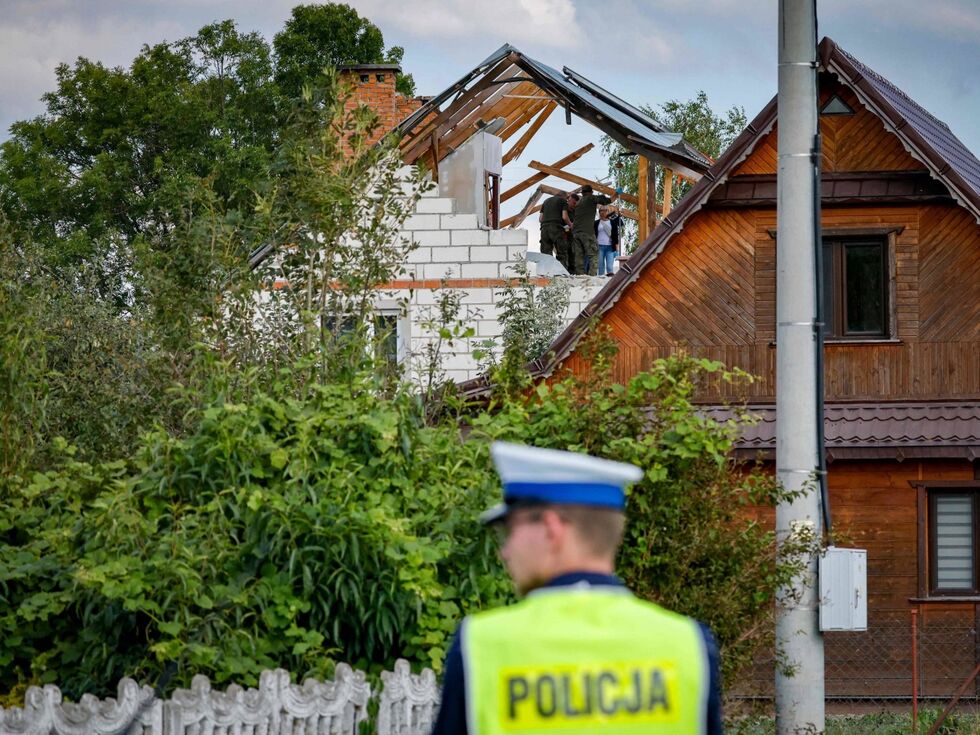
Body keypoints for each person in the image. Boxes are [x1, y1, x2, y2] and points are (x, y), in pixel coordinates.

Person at [430, 442, 723, 735]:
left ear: (551, 528)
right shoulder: (688, 644)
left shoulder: (482, 644)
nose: (504, 551)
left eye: (510, 531)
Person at [571, 185, 613, 276]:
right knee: (593, 254)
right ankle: (592, 277)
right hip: (587, 232)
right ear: (591, 192)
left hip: (576, 233)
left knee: (579, 256)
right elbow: (608, 201)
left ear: (582, 193)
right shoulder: (591, 198)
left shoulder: (578, 203)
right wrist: (616, 194)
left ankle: (580, 276)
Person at [538, 193, 573, 268]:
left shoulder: (545, 201)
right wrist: (570, 225)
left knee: (546, 253)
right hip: (556, 228)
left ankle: (547, 273)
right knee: (562, 252)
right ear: (565, 197)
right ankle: (562, 273)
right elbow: (564, 217)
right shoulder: (563, 201)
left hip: (544, 229)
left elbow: (540, 219)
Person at [594, 204, 621, 276]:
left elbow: (615, 236)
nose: (602, 212)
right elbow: (593, 235)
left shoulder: (612, 222)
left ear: (607, 211)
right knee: (600, 267)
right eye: (601, 211)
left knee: (609, 267)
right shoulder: (596, 223)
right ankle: (601, 283)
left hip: (610, 247)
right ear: (599, 212)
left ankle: (610, 283)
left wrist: (617, 249)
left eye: (604, 210)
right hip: (599, 246)